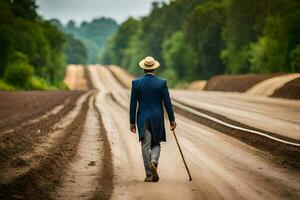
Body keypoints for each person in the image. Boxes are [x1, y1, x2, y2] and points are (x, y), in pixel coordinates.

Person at [129, 56, 177, 182]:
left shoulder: (136, 83)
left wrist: (132, 122)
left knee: (145, 145)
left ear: (143, 69)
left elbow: (133, 104)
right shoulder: (161, 83)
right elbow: (167, 103)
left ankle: (149, 175)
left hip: (142, 119)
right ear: (154, 68)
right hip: (157, 119)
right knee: (156, 143)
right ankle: (154, 162)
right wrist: (172, 120)